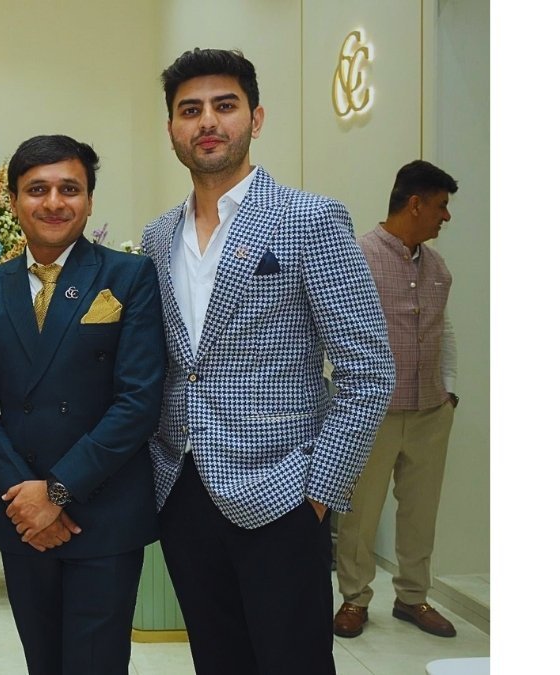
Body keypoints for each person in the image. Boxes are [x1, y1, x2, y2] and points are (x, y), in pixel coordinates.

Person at [140, 49, 395, 674]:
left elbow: (367, 369)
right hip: (183, 488)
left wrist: (319, 491)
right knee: (217, 659)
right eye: (190, 110)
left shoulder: (310, 219)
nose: (207, 121)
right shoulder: (157, 236)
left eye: (224, 106)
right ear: (171, 129)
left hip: (284, 490)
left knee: (293, 661)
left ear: (255, 118)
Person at [0, 134, 166, 674]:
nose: (54, 202)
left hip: (102, 511)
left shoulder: (128, 276)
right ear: (14, 201)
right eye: (37, 189)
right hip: (23, 516)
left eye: (69, 189)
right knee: (43, 662)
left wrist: (56, 492)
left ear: (90, 200)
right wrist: (26, 499)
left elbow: (138, 401)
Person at [333, 160, 461, 639]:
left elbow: (444, 329)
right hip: (372, 413)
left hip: (430, 411)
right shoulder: (357, 256)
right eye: (441, 206)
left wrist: (449, 390)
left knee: (421, 513)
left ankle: (412, 597)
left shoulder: (438, 267)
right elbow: (332, 328)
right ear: (415, 204)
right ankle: (354, 599)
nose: (446, 216)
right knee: (360, 512)